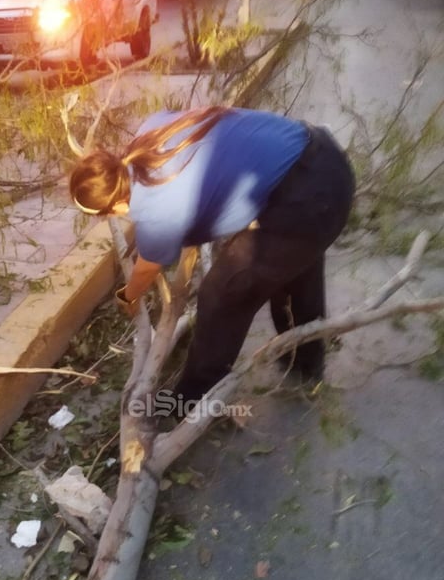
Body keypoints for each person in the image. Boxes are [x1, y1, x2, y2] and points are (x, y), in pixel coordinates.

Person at [69, 105, 355, 402]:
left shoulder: (155, 211)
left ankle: (192, 402)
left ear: (113, 208)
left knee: (221, 295)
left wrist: (127, 296)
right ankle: (305, 363)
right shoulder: (149, 130)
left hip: (311, 200)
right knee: (294, 269)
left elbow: (146, 268)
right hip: (322, 158)